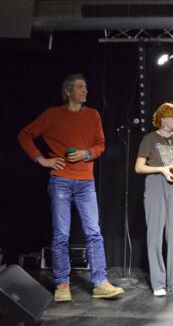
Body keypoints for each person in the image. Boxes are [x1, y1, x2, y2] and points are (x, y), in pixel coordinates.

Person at [17, 74, 124, 302]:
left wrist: (87, 153)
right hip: (61, 181)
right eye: (80, 87)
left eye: (86, 87)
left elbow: (101, 144)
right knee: (61, 234)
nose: (85, 91)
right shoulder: (52, 115)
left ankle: (100, 283)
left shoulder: (93, 115)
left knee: (94, 232)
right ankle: (62, 284)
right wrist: (41, 159)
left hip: (86, 182)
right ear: (68, 91)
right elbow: (24, 135)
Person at [135, 102, 173, 296]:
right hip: (155, 183)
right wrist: (162, 169)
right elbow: (139, 167)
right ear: (162, 118)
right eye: (172, 116)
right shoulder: (150, 139)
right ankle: (158, 283)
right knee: (155, 233)